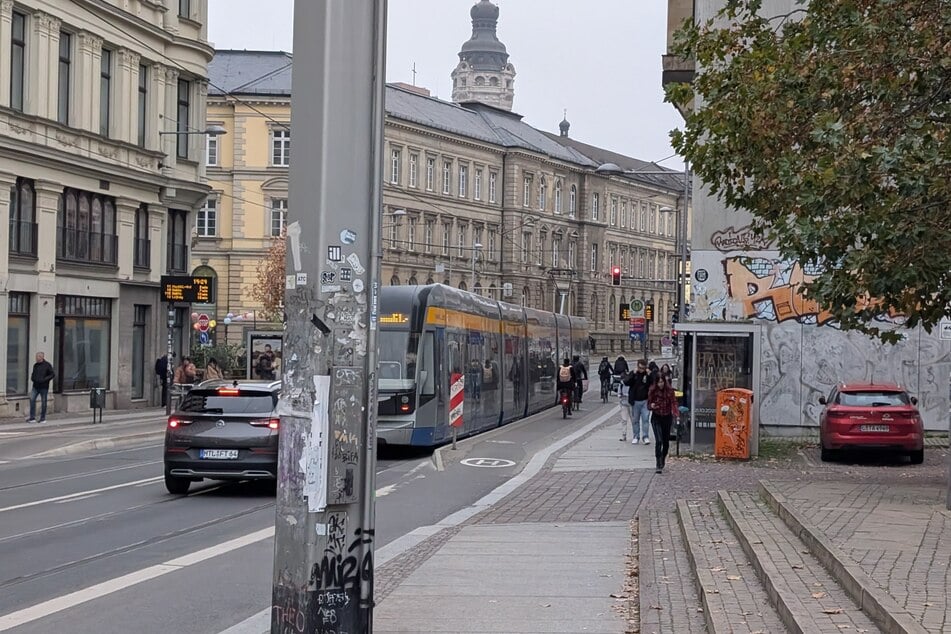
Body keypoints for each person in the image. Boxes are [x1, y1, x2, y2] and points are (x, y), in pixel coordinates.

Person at [648, 374, 679, 473]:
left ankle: (663, 457)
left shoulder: (669, 391)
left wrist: (675, 412)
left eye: (662, 382)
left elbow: (674, 402)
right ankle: (658, 462)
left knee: (666, 442)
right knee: (659, 440)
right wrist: (651, 405)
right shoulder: (653, 391)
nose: (660, 384)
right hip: (656, 417)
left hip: (667, 417)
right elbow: (648, 403)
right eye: (658, 382)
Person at [624, 359, 654, 444]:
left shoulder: (647, 374)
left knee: (645, 419)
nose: (641, 370)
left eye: (643, 368)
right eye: (640, 368)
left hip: (645, 400)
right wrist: (633, 374)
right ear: (637, 366)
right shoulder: (634, 373)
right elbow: (626, 382)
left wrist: (650, 374)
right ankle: (636, 436)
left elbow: (654, 382)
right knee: (635, 420)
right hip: (635, 401)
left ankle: (645, 437)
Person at [28, 352, 55, 423]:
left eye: (38, 357)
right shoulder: (35, 365)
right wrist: (33, 378)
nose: (36, 358)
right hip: (35, 386)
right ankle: (32, 417)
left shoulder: (47, 365)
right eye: (36, 357)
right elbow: (33, 373)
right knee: (32, 399)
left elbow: (52, 374)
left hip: (44, 387)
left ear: (42, 357)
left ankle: (43, 418)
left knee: (43, 402)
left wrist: (44, 379)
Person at [617, 374, 631, 442]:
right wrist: (620, 396)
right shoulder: (621, 385)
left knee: (633, 420)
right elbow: (619, 394)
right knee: (624, 420)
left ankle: (635, 435)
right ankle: (624, 435)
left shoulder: (630, 384)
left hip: (631, 404)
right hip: (623, 404)